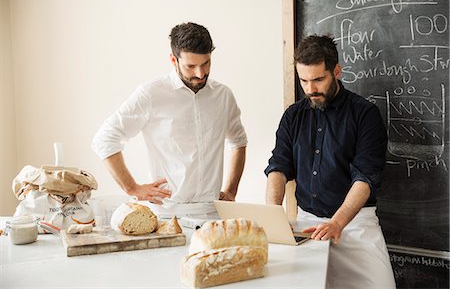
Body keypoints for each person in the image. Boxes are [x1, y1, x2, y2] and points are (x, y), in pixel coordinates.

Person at [264, 35, 395, 288]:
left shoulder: (365, 114)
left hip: (355, 227)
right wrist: (272, 213)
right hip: (305, 227)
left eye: (318, 80)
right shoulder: (292, 116)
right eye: (304, 80)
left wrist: (337, 223)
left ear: (336, 71)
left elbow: (365, 177)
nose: (310, 89)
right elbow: (278, 167)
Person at [92, 22, 247, 218]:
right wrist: (132, 188)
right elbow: (104, 139)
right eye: (191, 66)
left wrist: (231, 191)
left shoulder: (223, 95)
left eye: (206, 63)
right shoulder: (151, 93)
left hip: (213, 213)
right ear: (173, 60)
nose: (200, 74)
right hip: (166, 214)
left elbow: (239, 141)